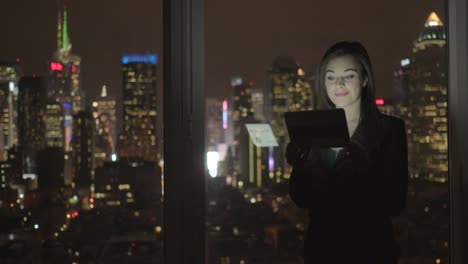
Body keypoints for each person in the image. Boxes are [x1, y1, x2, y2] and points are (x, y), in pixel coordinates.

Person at [286, 41, 408, 263]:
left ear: (364, 79)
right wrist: (299, 165)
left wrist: (365, 169)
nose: (338, 83)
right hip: (321, 252)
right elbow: (301, 198)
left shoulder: (389, 130)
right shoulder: (313, 129)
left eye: (349, 75)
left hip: (371, 251)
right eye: (330, 76)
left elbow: (395, 202)